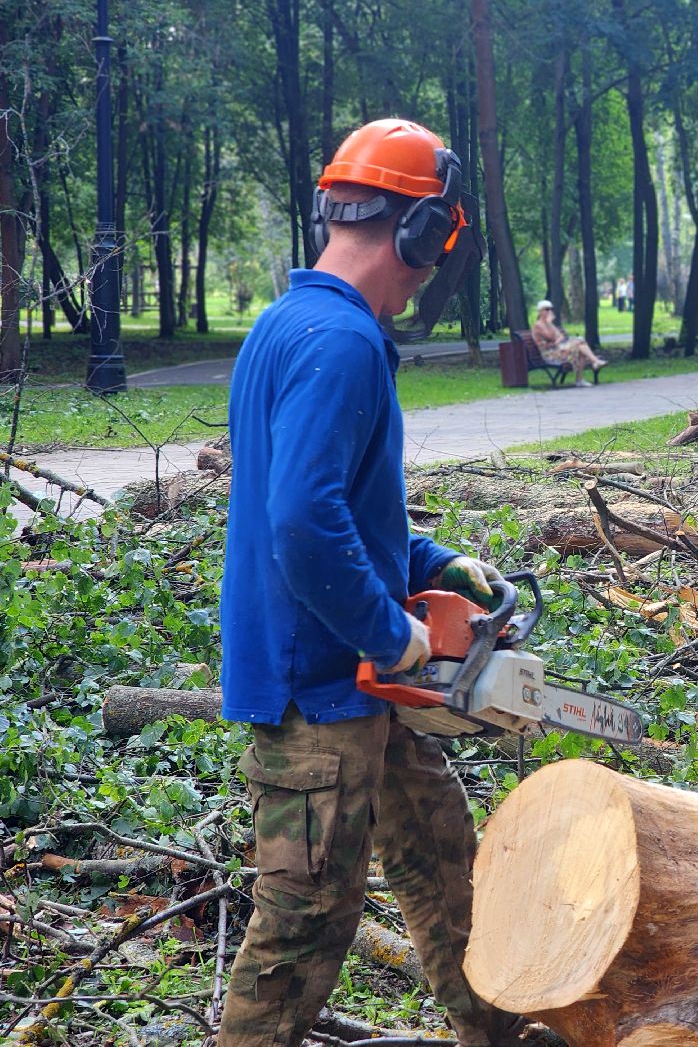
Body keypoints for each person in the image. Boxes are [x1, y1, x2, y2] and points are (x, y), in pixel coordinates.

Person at [217, 118, 528, 1047]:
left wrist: (434, 566)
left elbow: (325, 502)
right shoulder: (341, 343)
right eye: (439, 245)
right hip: (322, 689)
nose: (433, 268)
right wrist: (392, 634)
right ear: (423, 232)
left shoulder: (290, 324)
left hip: (356, 688)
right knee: (304, 925)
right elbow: (302, 524)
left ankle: (498, 1030)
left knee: (440, 856)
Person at [531, 299, 606, 386]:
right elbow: (551, 336)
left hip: (558, 349)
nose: (550, 311)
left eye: (551, 309)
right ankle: (595, 361)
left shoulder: (549, 324)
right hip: (549, 354)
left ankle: (580, 379)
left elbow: (561, 336)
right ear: (540, 311)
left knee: (581, 348)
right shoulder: (538, 325)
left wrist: (556, 339)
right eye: (547, 309)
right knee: (579, 342)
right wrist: (550, 324)